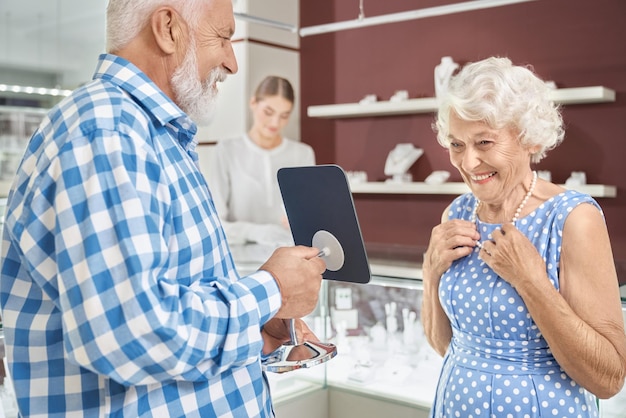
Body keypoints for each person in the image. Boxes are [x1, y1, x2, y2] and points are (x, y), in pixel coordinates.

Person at [0, 1, 326, 417]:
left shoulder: (149, 135)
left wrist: (253, 326)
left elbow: (169, 302)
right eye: (223, 37)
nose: (231, 62)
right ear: (168, 28)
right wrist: (270, 290)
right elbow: (129, 334)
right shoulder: (106, 128)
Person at [421, 56, 626, 417]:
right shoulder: (456, 213)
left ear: (529, 139)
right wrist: (430, 271)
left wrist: (531, 281)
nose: (468, 163)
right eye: (456, 145)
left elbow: (608, 378)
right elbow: (445, 346)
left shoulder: (574, 218)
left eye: (484, 142)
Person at [208, 76, 315, 248]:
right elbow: (215, 224)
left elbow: (312, 221)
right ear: (253, 103)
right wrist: (258, 232)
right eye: (268, 112)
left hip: (290, 258)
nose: (275, 123)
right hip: (239, 262)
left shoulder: (302, 154)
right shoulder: (227, 150)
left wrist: (302, 221)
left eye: (284, 115)